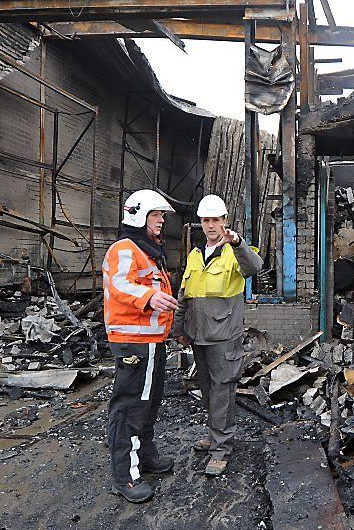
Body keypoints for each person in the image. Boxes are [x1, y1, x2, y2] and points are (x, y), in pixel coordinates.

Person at [177, 194, 263, 477]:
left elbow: (255, 267)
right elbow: (185, 295)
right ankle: (215, 435)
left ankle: (221, 449)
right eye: (206, 220)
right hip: (199, 336)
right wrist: (180, 329)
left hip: (224, 336)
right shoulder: (194, 255)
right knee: (207, 390)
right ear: (201, 223)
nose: (211, 225)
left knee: (223, 389)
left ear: (225, 221)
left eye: (216, 220)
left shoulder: (235, 252)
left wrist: (237, 243)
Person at [103, 189, 179, 503]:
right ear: (139, 215)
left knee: (148, 403)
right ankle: (125, 476)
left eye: (161, 215)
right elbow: (119, 284)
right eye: (156, 215)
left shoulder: (147, 251)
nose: (162, 220)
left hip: (151, 343)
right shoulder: (124, 248)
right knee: (130, 407)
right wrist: (150, 297)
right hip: (133, 343)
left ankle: (145, 456)